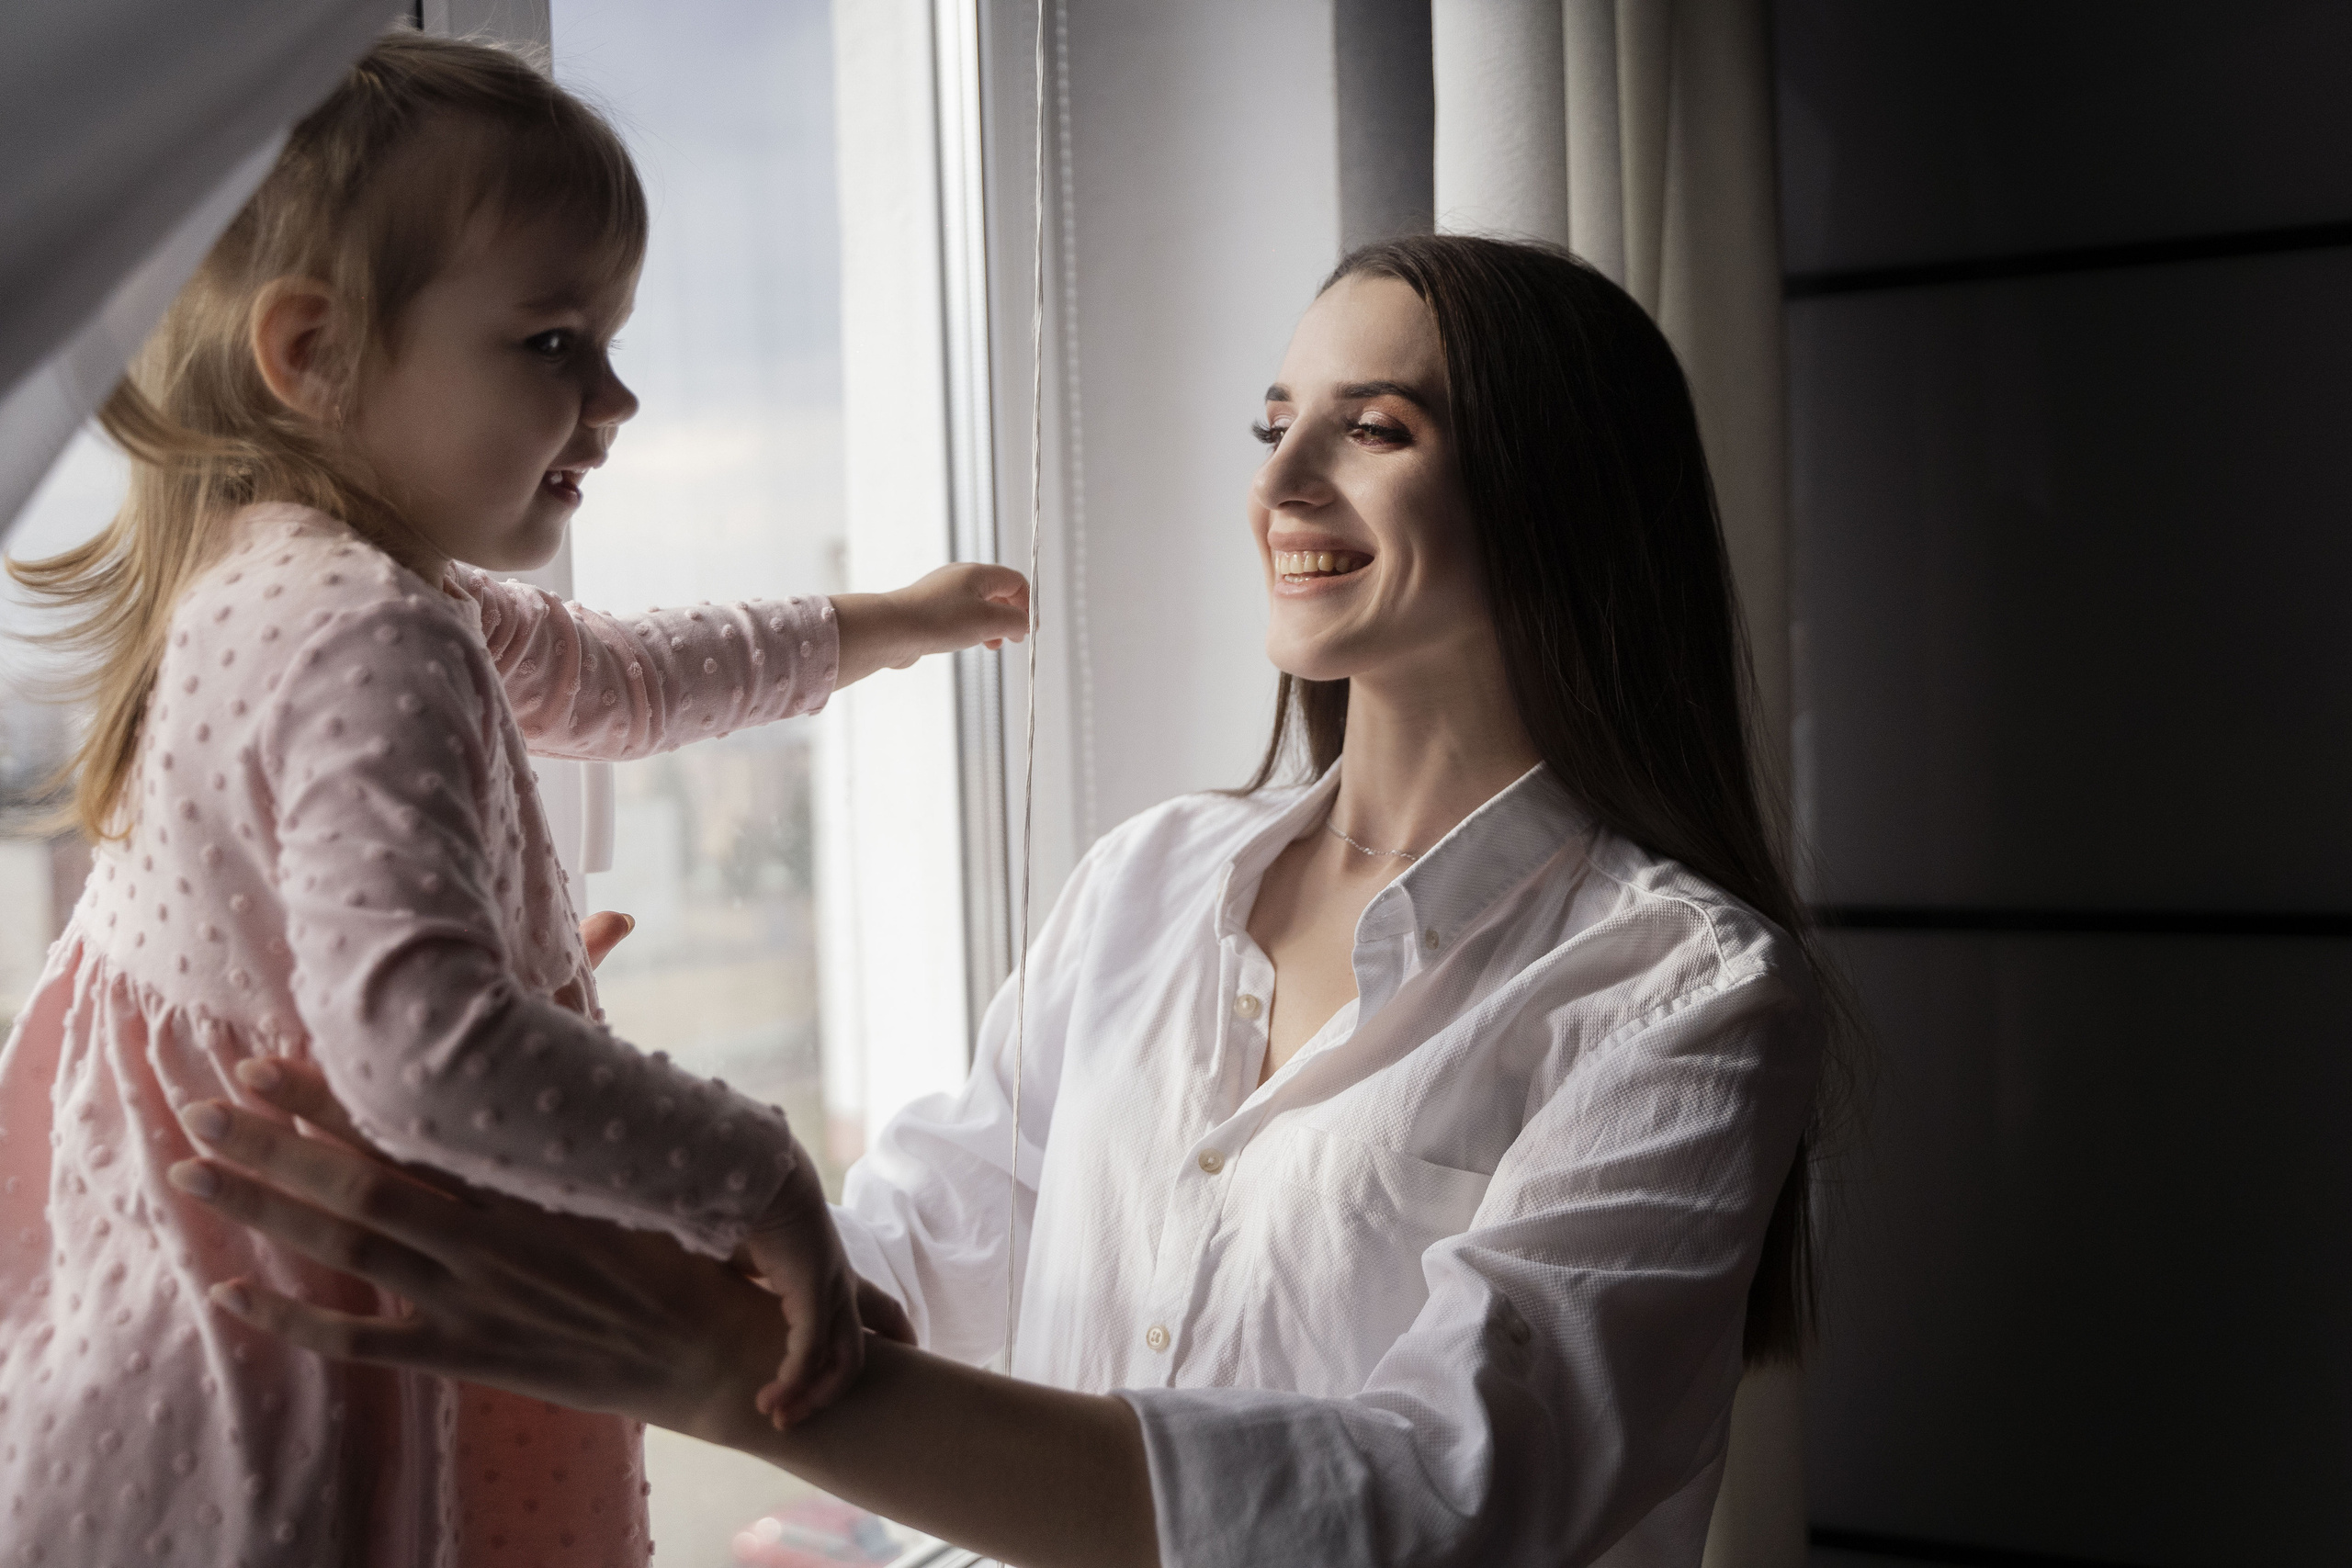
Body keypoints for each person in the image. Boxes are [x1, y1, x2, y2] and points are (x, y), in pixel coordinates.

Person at [172, 233, 1836, 1568]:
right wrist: (540, 1117)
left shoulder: (1685, 995)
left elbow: (1431, 1509)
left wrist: (724, 1380)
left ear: (1561, 500)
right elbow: (904, 1266)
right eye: (1275, 425)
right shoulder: (1150, 884)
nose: (1282, 484)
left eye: (1375, 428)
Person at [0, 30, 1025, 1568]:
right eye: (553, 342)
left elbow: (617, 684)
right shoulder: (365, 625)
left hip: (177, 1322)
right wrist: (757, 1180)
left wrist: (885, 624)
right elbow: (420, 1049)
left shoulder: (287, 573)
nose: (615, 397)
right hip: (300, 1371)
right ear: (312, 350)